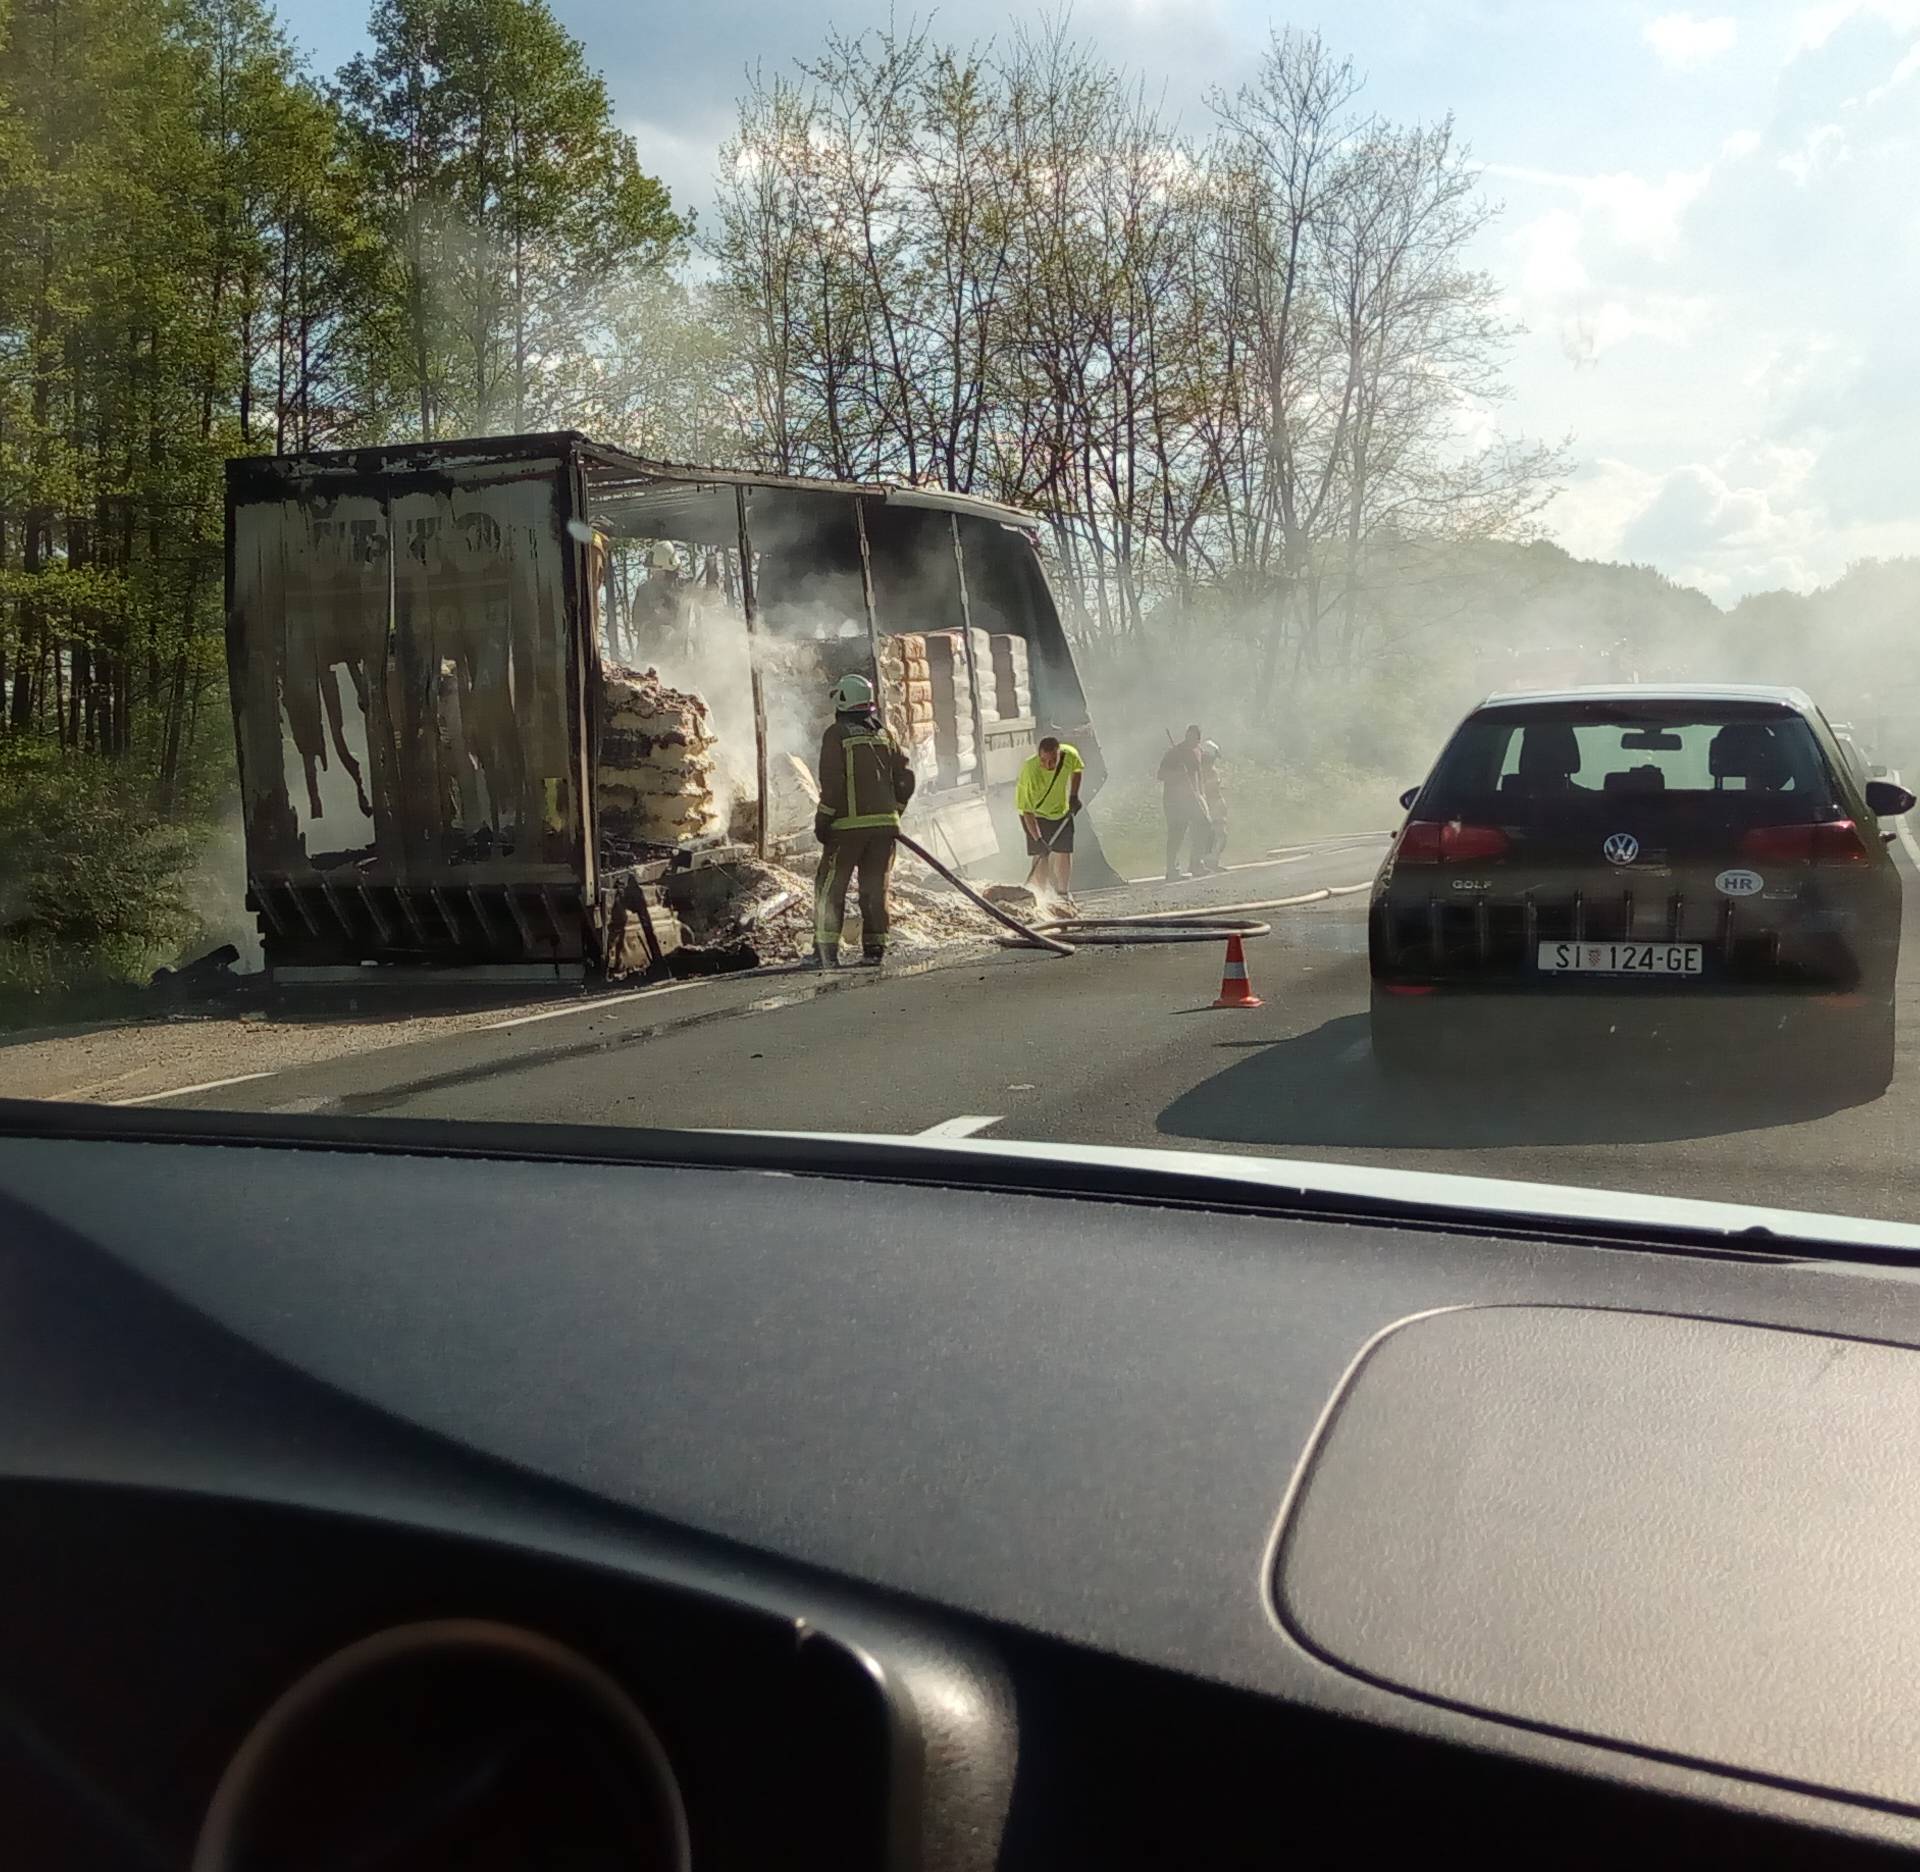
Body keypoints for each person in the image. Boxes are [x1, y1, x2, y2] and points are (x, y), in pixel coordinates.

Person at [813, 672, 916, 968]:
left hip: (847, 829)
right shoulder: (885, 734)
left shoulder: (837, 734)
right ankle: (874, 951)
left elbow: (832, 783)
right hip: (885, 831)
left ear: (842, 701)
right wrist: (893, 812)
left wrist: (824, 819)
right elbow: (906, 779)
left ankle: (825, 951)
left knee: (830, 886)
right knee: (874, 888)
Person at [1015, 735, 1085, 906]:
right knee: (1042, 854)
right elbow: (1027, 811)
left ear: (1059, 754)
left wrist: (1074, 795)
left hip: (1060, 812)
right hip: (1035, 815)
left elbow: (1077, 770)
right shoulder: (1030, 772)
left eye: (1053, 760)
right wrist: (1038, 839)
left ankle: (1063, 893)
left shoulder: (1069, 755)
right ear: (1039, 756)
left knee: (1064, 851)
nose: (1048, 765)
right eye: (1044, 760)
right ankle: (1040, 895)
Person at [1157, 723, 1211, 881]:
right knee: (1177, 832)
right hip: (1174, 800)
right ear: (1186, 736)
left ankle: (1196, 863)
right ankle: (1172, 870)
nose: (1192, 740)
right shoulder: (1174, 754)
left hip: (1193, 797)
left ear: (1198, 740)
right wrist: (1178, 774)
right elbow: (1161, 775)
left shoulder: (1197, 752)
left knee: (1204, 824)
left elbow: (1198, 775)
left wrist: (1202, 794)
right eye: (1189, 736)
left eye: (1195, 738)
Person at [1197, 739, 1226, 873]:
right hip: (1210, 805)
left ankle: (1212, 861)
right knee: (1215, 834)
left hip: (1215, 804)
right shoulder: (1199, 772)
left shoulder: (1209, 770)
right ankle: (1209, 861)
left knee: (1219, 835)